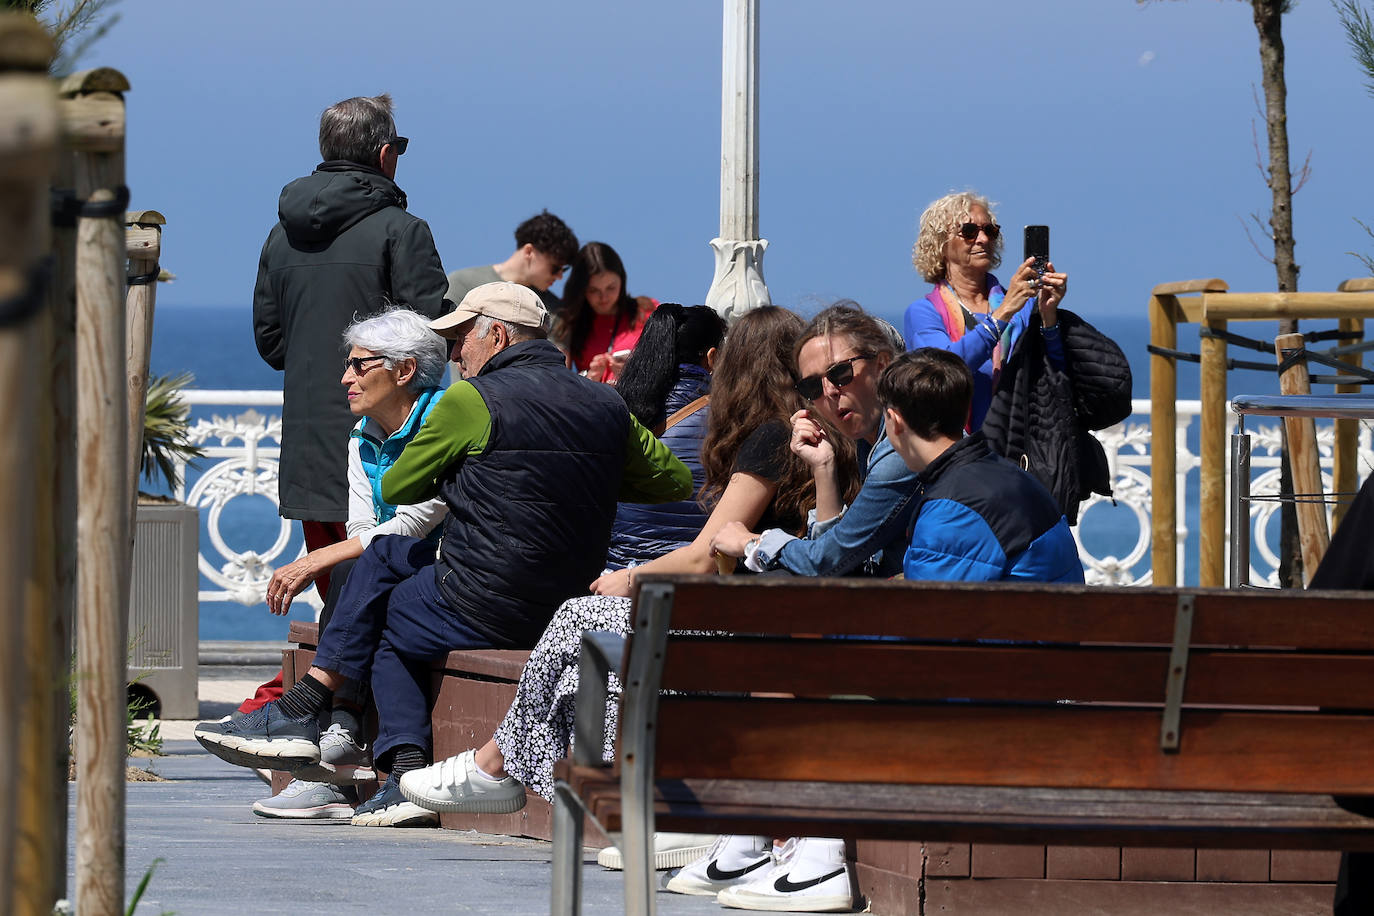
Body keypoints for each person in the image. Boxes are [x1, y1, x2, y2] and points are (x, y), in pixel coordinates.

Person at [197, 282, 693, 829]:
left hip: (482, 599)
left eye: (461, 339)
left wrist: (463, 463)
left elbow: (403, 486)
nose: (455, 355)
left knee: (387, 599)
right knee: (390, 578)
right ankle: (348, 741)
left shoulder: (470, 400)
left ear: (496, 335)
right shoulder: (605, 401)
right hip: (568, 605)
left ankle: (358, 745)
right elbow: (670, 481)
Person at [395, 307, 821, 846]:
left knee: (582, 617)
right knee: (586, 644)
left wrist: (630, 576)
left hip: (742, 622)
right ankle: (604, 793)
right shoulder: (812, 439)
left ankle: (505, 767)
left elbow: (705, 554)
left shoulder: (768, 440)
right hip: (762, 614)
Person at [245, 93, 448, 717]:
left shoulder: (281, 236)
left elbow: (271, 344)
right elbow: (433, 340)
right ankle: (350, 727)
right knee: (390, 583)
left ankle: (325, 722)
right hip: (392, 445)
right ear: (386, 154)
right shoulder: (403, 232)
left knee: (338, 589)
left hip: (310, 442)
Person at [248, 307, 449, 819]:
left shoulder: (444, 421)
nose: (346, 377)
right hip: (388, 566)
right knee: (351, 570)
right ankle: (338, 743)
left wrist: (315, 557)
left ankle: (335, 742)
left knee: (353, 571)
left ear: (404, 370)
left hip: (445, 567)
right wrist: (329, 558)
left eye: (360, 365)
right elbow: (363, 532)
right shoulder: (362, 436)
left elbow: (415, 524)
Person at [711, 302, 916, 580]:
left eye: (840, 373)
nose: (829, 391)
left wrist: (750, 543)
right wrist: (823, 467)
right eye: (812, 386)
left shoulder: (902, 446)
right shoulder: (869, 443)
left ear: (882, 365)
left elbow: (825, 560)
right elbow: (837, 562)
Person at [877, 347, 1084, 582]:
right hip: (1057, 615)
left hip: (1022, 618)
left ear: (895, 421)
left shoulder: (951, 511)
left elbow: (930, 612)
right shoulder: (1007, 473)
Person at [902, 190, 1066, 431]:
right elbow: (944, 371)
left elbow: (1055, 371)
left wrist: (1050, 318)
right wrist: (1003, 314)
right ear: (941, 245)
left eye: (990, 231)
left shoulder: (1023, 304)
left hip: (1018, 448)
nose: (983, 239)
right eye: (969, 231)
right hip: (959, 452)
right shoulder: (924, 313)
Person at [444, 209, 578, 314]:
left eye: (563, 269)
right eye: (555, 268)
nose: (560, 276)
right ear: (529, 251)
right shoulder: (463, 283)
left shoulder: (553, 311)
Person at [552, 241, 647, 384]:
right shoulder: (567, 320)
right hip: (594, 401)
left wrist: (637, 370)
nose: (604, 297)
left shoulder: (646, 310)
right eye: (593, 290)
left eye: (611, 288)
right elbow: (559, 382)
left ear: (622, 280)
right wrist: (589, 379)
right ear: (580, 290)